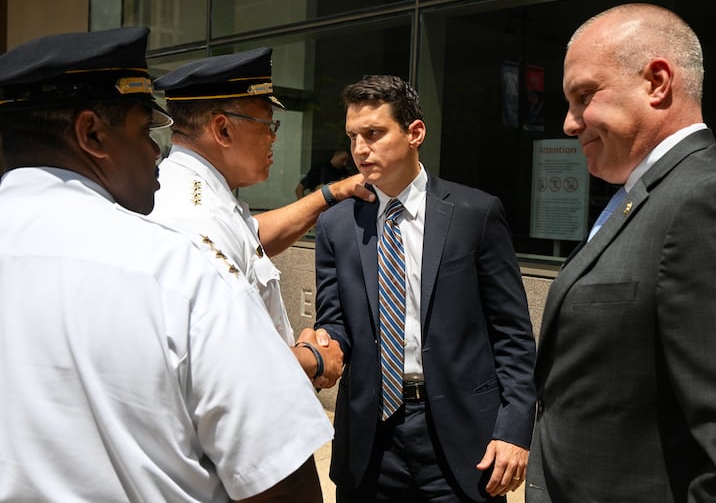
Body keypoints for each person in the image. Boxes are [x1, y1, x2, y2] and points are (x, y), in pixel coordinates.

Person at [0, 27, 332, 502]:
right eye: (143, 131)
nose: (159, 151)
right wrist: (313, 359)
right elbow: (278, 479)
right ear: (92, 133)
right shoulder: (176, 271)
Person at [526, 4, 716, 503]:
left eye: (583, 96)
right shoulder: (646, 194)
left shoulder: (707, 201)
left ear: (657, 82)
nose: (569, 124)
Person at [314, 74, 537, 502]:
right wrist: (317, 351)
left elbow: (512, 336)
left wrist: (513, 430)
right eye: (353, 136)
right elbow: (335, 323)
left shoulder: (475, 214)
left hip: (462, 436)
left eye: (374, 134)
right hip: (370, 438)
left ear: (415, 133)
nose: (360, 149)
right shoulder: (337, 226)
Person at [151, 49, 374, 388]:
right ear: (222, 130)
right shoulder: (196, 217)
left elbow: (249, 239)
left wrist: (330, 194)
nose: (274, 137)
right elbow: (227, 353)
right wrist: (313, 360)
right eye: (268, 124)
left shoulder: (194, 189)